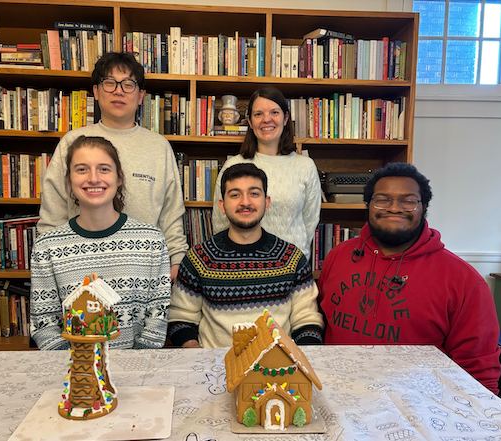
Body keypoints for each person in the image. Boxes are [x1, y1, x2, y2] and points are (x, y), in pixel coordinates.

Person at [318, 162, 501, 394]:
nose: (394, 208)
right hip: (337, 393)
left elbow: (479, 369)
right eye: (382, 199)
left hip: (420, 407)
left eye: (408, 200)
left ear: (423, 207)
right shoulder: (338, 257)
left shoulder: (464, 281)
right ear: (369, 205)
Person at [38, 52, 187, 280]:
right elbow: (53, 213)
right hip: (81, 269)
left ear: (140, 96)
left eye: (128, 84)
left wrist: (177, 259)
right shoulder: (72, 142)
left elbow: (171, 213)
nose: (118, 91)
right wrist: (51, 264)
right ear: (96, 92)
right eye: (110, 83)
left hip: (142, 270)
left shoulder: (158, 147)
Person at [31, 135, 171, 350]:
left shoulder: (151, 241)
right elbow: (44, 324)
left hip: (137, 373)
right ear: (69, 180)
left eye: (104, 169)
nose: (93, 178)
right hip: (75, 374)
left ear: (119, 178)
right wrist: (82, 368)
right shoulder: (47, 247)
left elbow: (157, 317)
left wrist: (134, 369)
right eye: (81, 169)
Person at [169, 163, 323, 348]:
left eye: (254, 193)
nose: (245, 202)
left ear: (267, 202)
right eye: (235, 195)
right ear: (222, 205)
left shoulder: (292, 258)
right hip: (216, 369)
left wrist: (298, 361)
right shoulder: (198, 259)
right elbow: (181, 319)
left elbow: (308, 321)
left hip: (276, 369)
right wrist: (196, 356)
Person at [212, 87, 321, 261]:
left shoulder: (305, 166)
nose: (266, 119)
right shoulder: (233, 165)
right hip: (242, 265)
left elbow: (310, 221)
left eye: (274, 112)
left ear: (285, 118)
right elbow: (221, 221)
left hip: (291, 266)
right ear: (249, 121)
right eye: (258, 114)